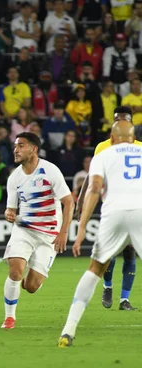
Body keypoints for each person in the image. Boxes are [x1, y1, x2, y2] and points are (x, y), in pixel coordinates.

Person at [58, 120, 142, 347]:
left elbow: (94, 189)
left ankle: (68, 331)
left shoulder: (103, 155)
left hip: (113, 213)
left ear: (112, 139)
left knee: (95, 269)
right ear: (133, 138)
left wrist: (82, 226)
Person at [1, 132, 74, 329]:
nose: (15, 150)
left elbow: (69, 202)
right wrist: (9, 213)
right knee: (15, 270)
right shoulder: (14, 178)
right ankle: (9, 317)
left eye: (21, 146)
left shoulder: (50, 171)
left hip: (49, 235)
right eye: (15, 146)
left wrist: (63, 232)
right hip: (23, 231)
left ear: (34, 149)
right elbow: (11, 209)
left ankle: (29, 280)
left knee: (31, 287)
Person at [75, 106, 142, 313]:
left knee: (130, 253)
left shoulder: (140, 147)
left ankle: (124, 300)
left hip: (134, 205)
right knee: (110, 252)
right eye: (117, 119)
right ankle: (108, 286)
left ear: (131, 123)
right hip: (110, 204)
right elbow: (91, 177)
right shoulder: (102, 147)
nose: (120, 122)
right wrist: (80, 200)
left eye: (124, 119)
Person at [102, 33, 137, 97]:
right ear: (114, 42)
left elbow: (131, 67)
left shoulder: (130, 51)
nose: (119, 43)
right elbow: (106, 67)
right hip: (112, 82)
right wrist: (107, 81)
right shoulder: (109, 50)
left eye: (122, 41)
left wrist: (130, 81)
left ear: (125, 42)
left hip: (125, 83)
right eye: (117, 41)